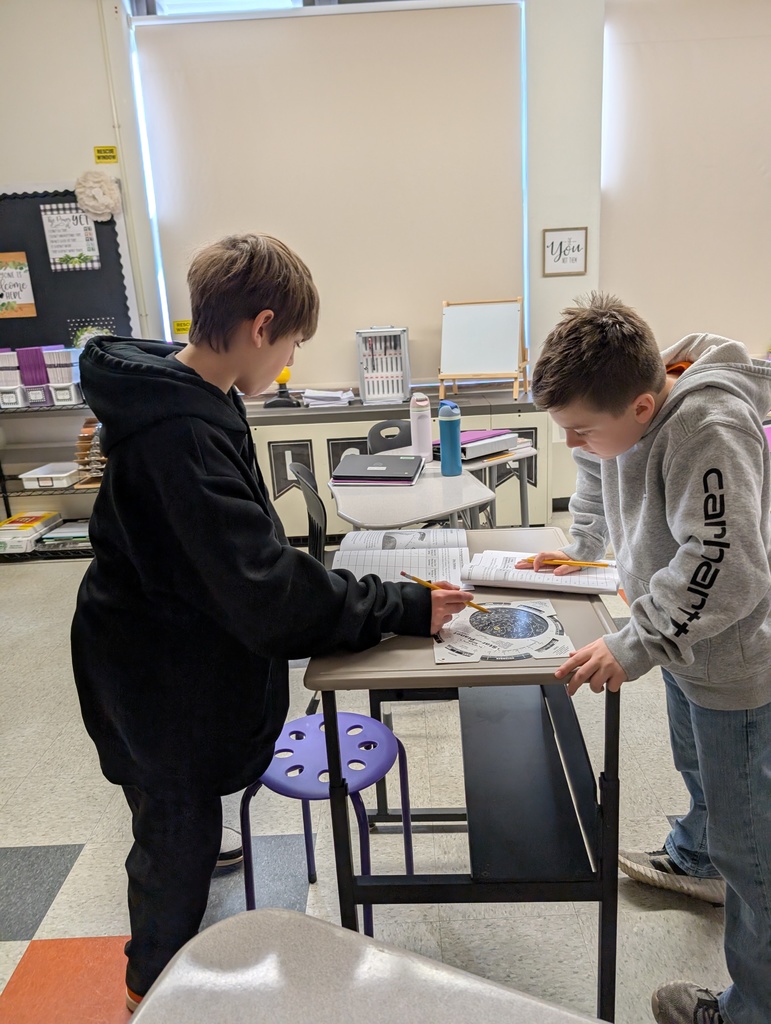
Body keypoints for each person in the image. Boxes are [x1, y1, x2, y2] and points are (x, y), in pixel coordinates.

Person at [70, 233, 471, 1011]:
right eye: (289, 344)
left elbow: (244, 556)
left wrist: (365, 597)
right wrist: (404, 606)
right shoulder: (179, 432)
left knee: (176, 817)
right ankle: (150, 992)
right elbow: (268, 593)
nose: (286, 361)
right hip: (152, 673)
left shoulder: (201, 394)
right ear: (260, 326)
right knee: (170, 839)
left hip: (163, 645)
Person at [520, 293, 771, 1024]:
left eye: (579, 430)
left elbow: (724, 566)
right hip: (685, 648)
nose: (572, 443)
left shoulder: (705, 425)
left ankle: (752, 1008)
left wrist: (636, 642)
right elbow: (601, 465)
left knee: (752, 853)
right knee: (697, 769)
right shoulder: (628, 407)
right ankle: (693, 856)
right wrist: (581, 549)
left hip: (730, 663)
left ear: (638, 405)